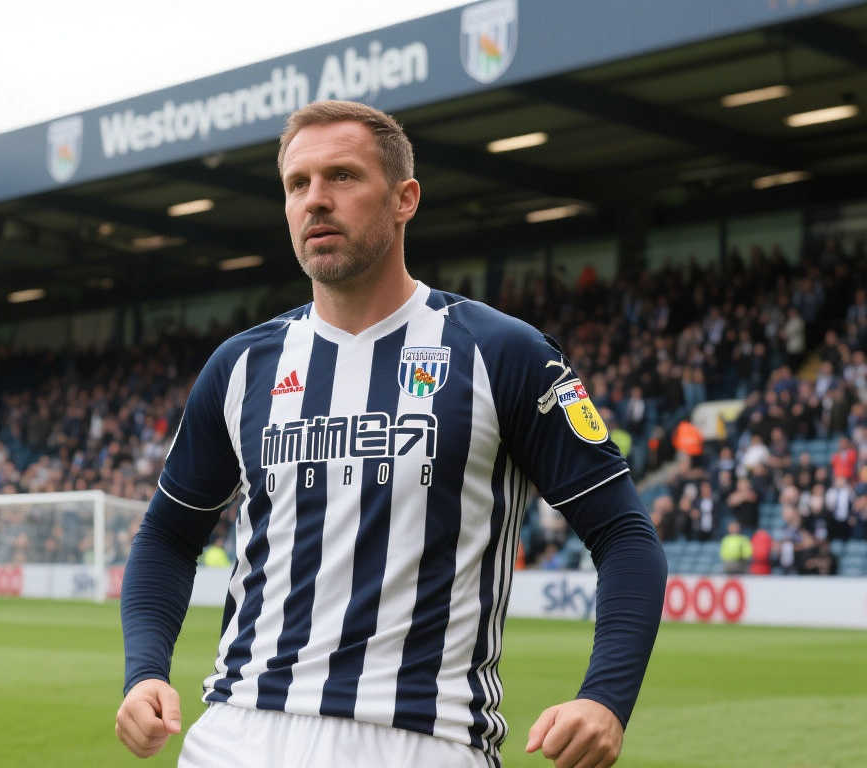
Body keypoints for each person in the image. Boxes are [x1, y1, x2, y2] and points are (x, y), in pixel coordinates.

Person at [115, 101, 667, 768]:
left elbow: (624, 534)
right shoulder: (242, 365)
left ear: (405, 199)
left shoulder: (503, 353)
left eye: (343, 176)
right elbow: (167, 536)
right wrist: (145, 671)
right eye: (298, 184)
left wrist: (606, 698)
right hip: (238, 732)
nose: (316, 200)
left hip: (419, 737)